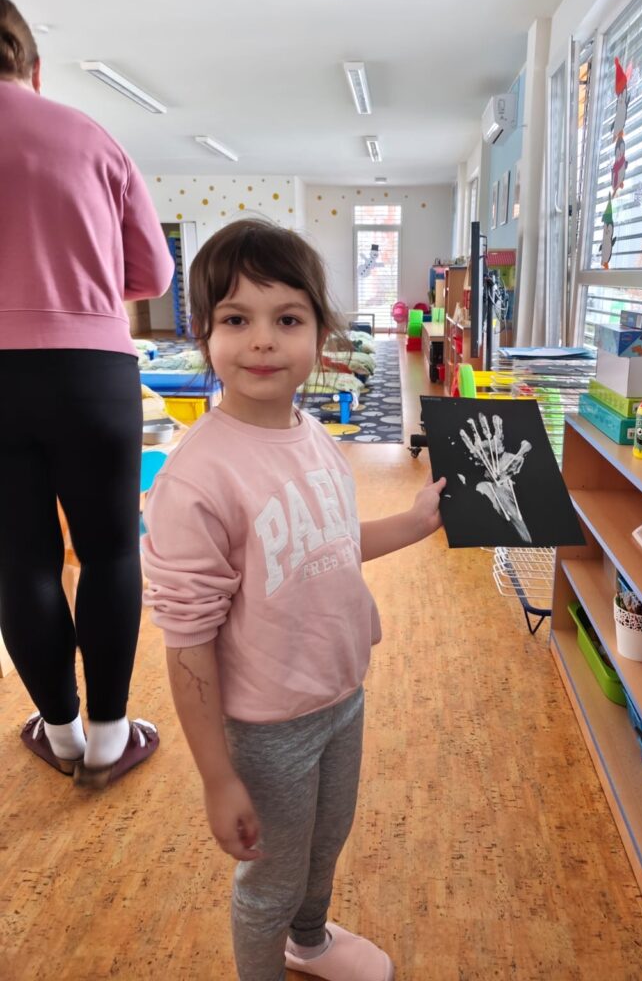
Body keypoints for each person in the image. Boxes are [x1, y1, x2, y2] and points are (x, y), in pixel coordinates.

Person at [142, 219, 445, 981]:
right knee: (268, 882)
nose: (262, 341)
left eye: (286, 319)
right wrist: (218, 776)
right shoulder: (197, 479)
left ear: (320, 334)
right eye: (235, 320)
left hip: (341, 694)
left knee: (324, 845)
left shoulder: (313, 437)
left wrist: (413, 523)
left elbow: (328, 543)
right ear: (204, 334)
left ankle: (308, 941)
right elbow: (187, 642)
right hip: (267, 724)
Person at [0, 0, 174, 787]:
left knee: (20, 563)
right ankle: (109, 737)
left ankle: (60, 731)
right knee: (109, 551)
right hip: (91, 367)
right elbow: (154, 275)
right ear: (34, 69)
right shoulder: (91, 138)